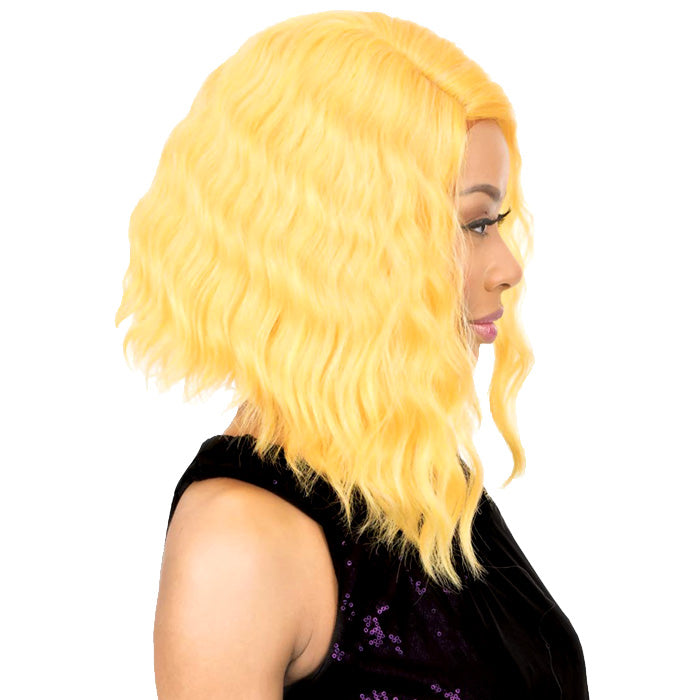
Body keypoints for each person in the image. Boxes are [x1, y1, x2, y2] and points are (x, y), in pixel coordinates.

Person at [115, 10, 589, 699]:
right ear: (345, 250)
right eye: (474, 223)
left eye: (498, 222)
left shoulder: (419, 484)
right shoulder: (240, 541)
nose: (509, 266)